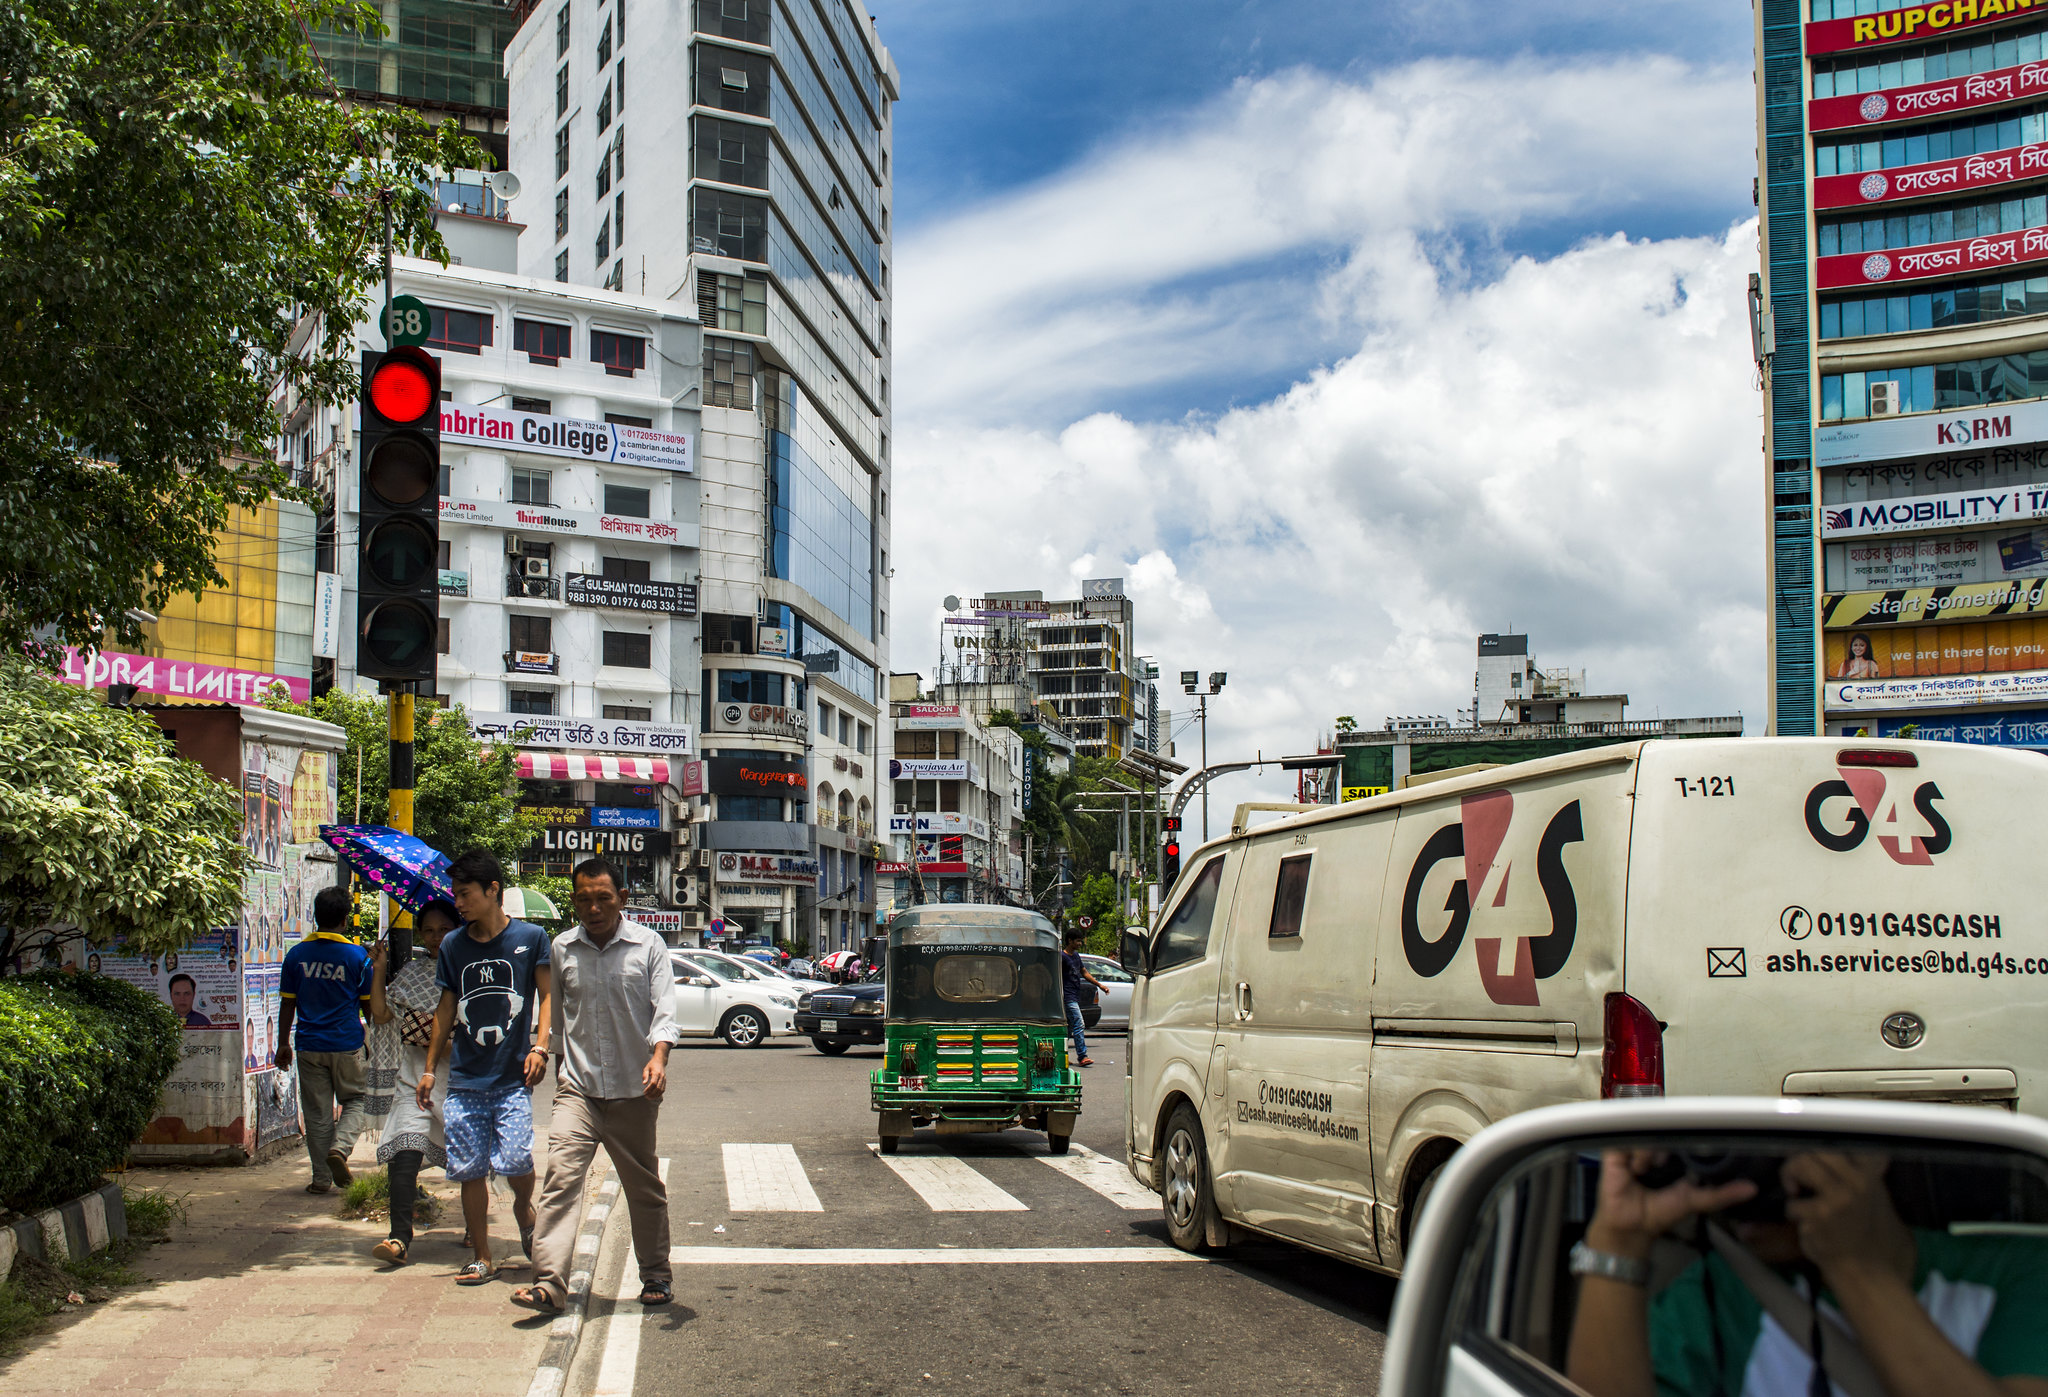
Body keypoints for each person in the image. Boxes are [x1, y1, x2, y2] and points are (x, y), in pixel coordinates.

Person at [1565, 1148, 2048, 1397]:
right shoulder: (1714, 1296)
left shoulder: (2022, 1272)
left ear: (1871, 1155)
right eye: (1731, 1157)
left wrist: (1852, 1265)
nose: (1749, 1184)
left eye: (1774, 1157)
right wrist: (1618, 1239)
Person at [514, 858, 678, 1313]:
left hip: (634, 1091)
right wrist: (545, 1051)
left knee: (643, 1188)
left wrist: (659, 1059)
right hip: (578, 1089)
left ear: (622, 900)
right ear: (574, 903)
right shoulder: (563, 947)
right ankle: (548, 1283)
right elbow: (558, 1012)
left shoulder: (649, 945)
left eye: (603, 898)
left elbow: (664, 1012)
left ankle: (656, 1276)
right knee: (561, 1180)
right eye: (584, 899)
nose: (593, 908)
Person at [420, 849, 552, 1286]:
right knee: (469, 1170)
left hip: (513, 1077)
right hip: (464, 1082)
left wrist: (540, 1046)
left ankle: (525, 1211)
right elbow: (445, 1008)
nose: (457, 903)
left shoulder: (532, 938)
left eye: (464, 894)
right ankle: (482, 1255)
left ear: (492, 890)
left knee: (516, 1160)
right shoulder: (454, 946)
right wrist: (428, 1070)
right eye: (455, 894)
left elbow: (548, 996)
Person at [368, 898, 458, 1266]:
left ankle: (476, 1226)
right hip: (413, 1081)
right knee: (403, 1158)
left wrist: (435, 1035)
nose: (436, 938)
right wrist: (379, 969)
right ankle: (398, 1238)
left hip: (457, 1083)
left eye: (443, 930)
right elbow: (381, 1013)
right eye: (429, 931)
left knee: (472, 1161)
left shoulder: (468, 971)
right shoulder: (413, 973)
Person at [276, 886, 373, 1194]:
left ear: (315, 917)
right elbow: (369, 1006)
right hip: (347, 1044)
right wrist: (378, 1042)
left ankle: (320, 1180)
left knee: (318, 1114)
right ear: (345, 920)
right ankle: (340, 1149)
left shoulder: (296, 956)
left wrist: (282, 1044)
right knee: (357, 1100)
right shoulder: (358, 956)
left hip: (308, 1045)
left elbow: (287, 1004)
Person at [1061, 931, 1107, 1069]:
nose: (1080, 944)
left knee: (1068, 1029)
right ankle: (1082, 1056)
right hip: (1067, 996)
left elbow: (1084, 972)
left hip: (1075, 995)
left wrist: (1099, 985)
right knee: (1079, 1023)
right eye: (1078, 941)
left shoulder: (1075, 956)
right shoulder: (1062, 957)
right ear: (1070, 941)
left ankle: (1061, 1055)